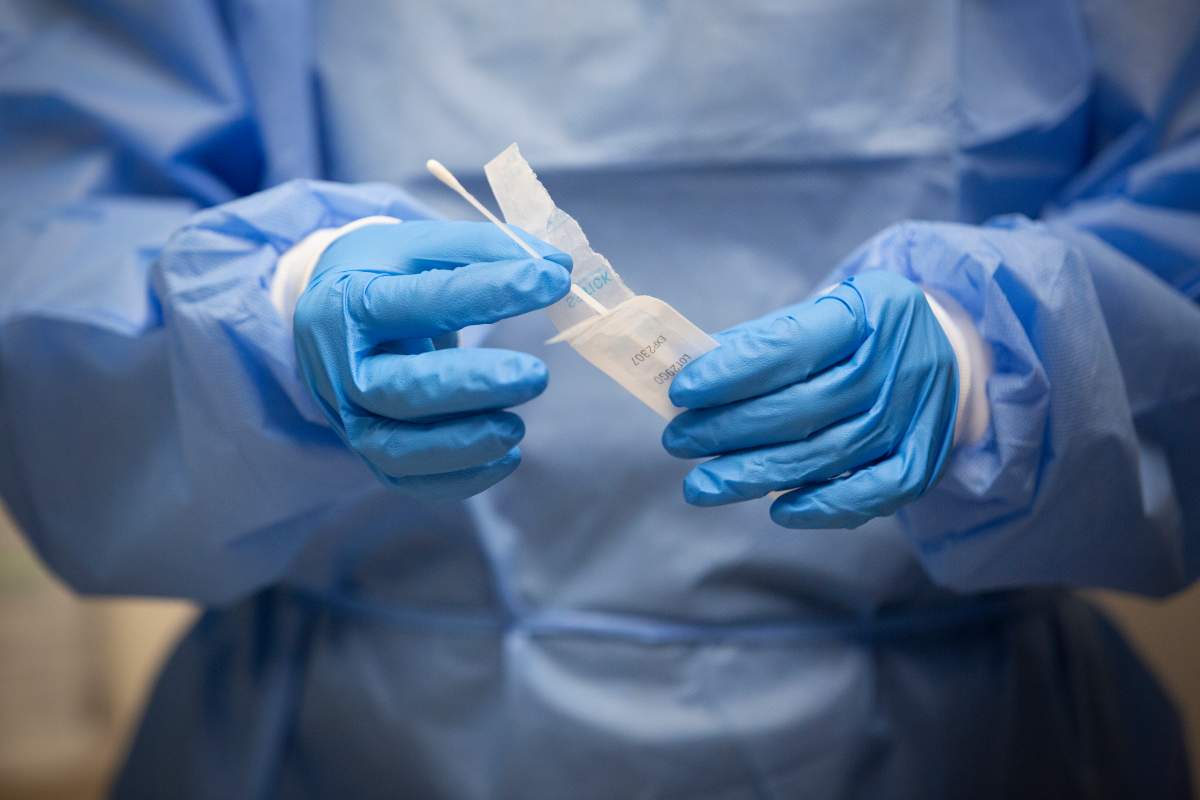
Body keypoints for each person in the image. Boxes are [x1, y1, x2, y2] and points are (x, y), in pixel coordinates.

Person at [1, 1, 1197, 797]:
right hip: (349, 741)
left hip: (971, 747)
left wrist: (998, 363)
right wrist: (274, 311)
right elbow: (48, 237)